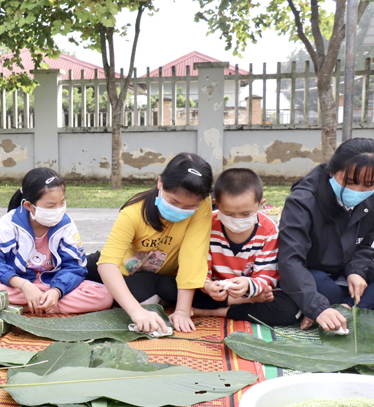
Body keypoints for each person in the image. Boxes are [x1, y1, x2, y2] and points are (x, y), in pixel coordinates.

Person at [89, 152, 213, 333]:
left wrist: (182, 311)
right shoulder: (132, 212)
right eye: (174, 201)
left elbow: (193, 255)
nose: (179, 210)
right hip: (126, 270)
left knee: (165, 290)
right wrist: (137, 312)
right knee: (77, 270)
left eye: (188, 208)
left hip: (163, 278)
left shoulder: (203, 203)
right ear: (160, 183)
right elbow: (107, 264)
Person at [0, 168, 112, 314]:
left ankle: (27, 305)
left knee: (104, 295)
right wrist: (23, 285)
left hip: (52, 285)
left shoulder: (66, 225)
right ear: (29, 206)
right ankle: (45, 306)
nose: (59, 209)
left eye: (62, 202)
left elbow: (75, 266)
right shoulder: (10, 223)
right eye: (51, 206)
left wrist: (57, 291)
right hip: (17, 286)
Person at [279, 138, 374, 332]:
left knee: (353, 284)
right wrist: (318, 307)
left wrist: (357, 270)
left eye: (368, 185)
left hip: (346, 274)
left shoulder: (370, 199)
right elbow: (291, 260)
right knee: (324, 287)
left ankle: (345, 307)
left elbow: (365, 244)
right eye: (349, 182)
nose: (358, 191)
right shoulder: (303, 200)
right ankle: (346, 306)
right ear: (332, 171)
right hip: (314, 274)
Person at [191, 168, 301, 325]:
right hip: (216, 291)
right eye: (228, 214)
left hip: (250, 291)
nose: (237, 220)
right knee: (172, 289)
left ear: (260, 205)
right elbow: (199, 267)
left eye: (245, 214)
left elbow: (266, 274)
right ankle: (240, 304)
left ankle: (214, 311)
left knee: (288, 308)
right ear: (217, 204)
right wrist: (207, 285)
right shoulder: (207, 225)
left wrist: (249, 285)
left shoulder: (269, 230)